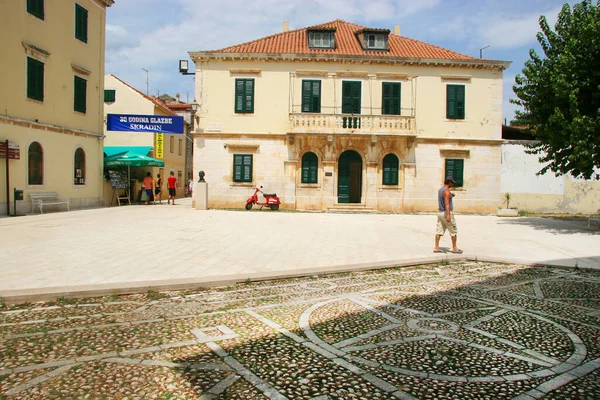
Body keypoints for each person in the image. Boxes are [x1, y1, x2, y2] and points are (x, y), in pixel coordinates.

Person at [434, 176, 462, 254]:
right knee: (453, 230)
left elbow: (444, 197)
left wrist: (450, 195)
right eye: (452, 182)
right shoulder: (446, 191)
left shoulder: (441, 190)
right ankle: (454, 247)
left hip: (440, 212)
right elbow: (447, 203)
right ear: (449, 182)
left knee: (439, 230)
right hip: (446, 213)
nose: (452, 184)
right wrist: (449, 215)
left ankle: (436, 247)